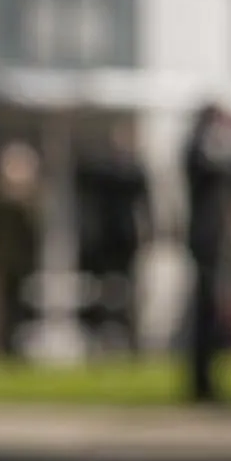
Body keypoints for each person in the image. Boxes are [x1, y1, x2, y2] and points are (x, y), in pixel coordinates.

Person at [179, 105, 231, 403]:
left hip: (213, 239)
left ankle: (207, 379)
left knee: (213, 312)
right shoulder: (199, 148)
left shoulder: (201, 148)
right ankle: (201, 382)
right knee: (206, 311)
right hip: (206, 239)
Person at [74, 126, 153, 349]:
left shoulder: (133, 172)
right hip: (103, 240)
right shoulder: (103, 172)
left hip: (126, 239)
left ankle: (129, 335)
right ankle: (99, 335)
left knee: (128, 290)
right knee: (99, 289)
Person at [0, 142, 44, 360]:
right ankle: (7, 346)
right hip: (6, 261)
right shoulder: (0, 202)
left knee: (22, 305)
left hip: (23, 262)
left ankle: (18, 345)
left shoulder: (30, 201)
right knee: (8, 306)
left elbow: (35, 231)